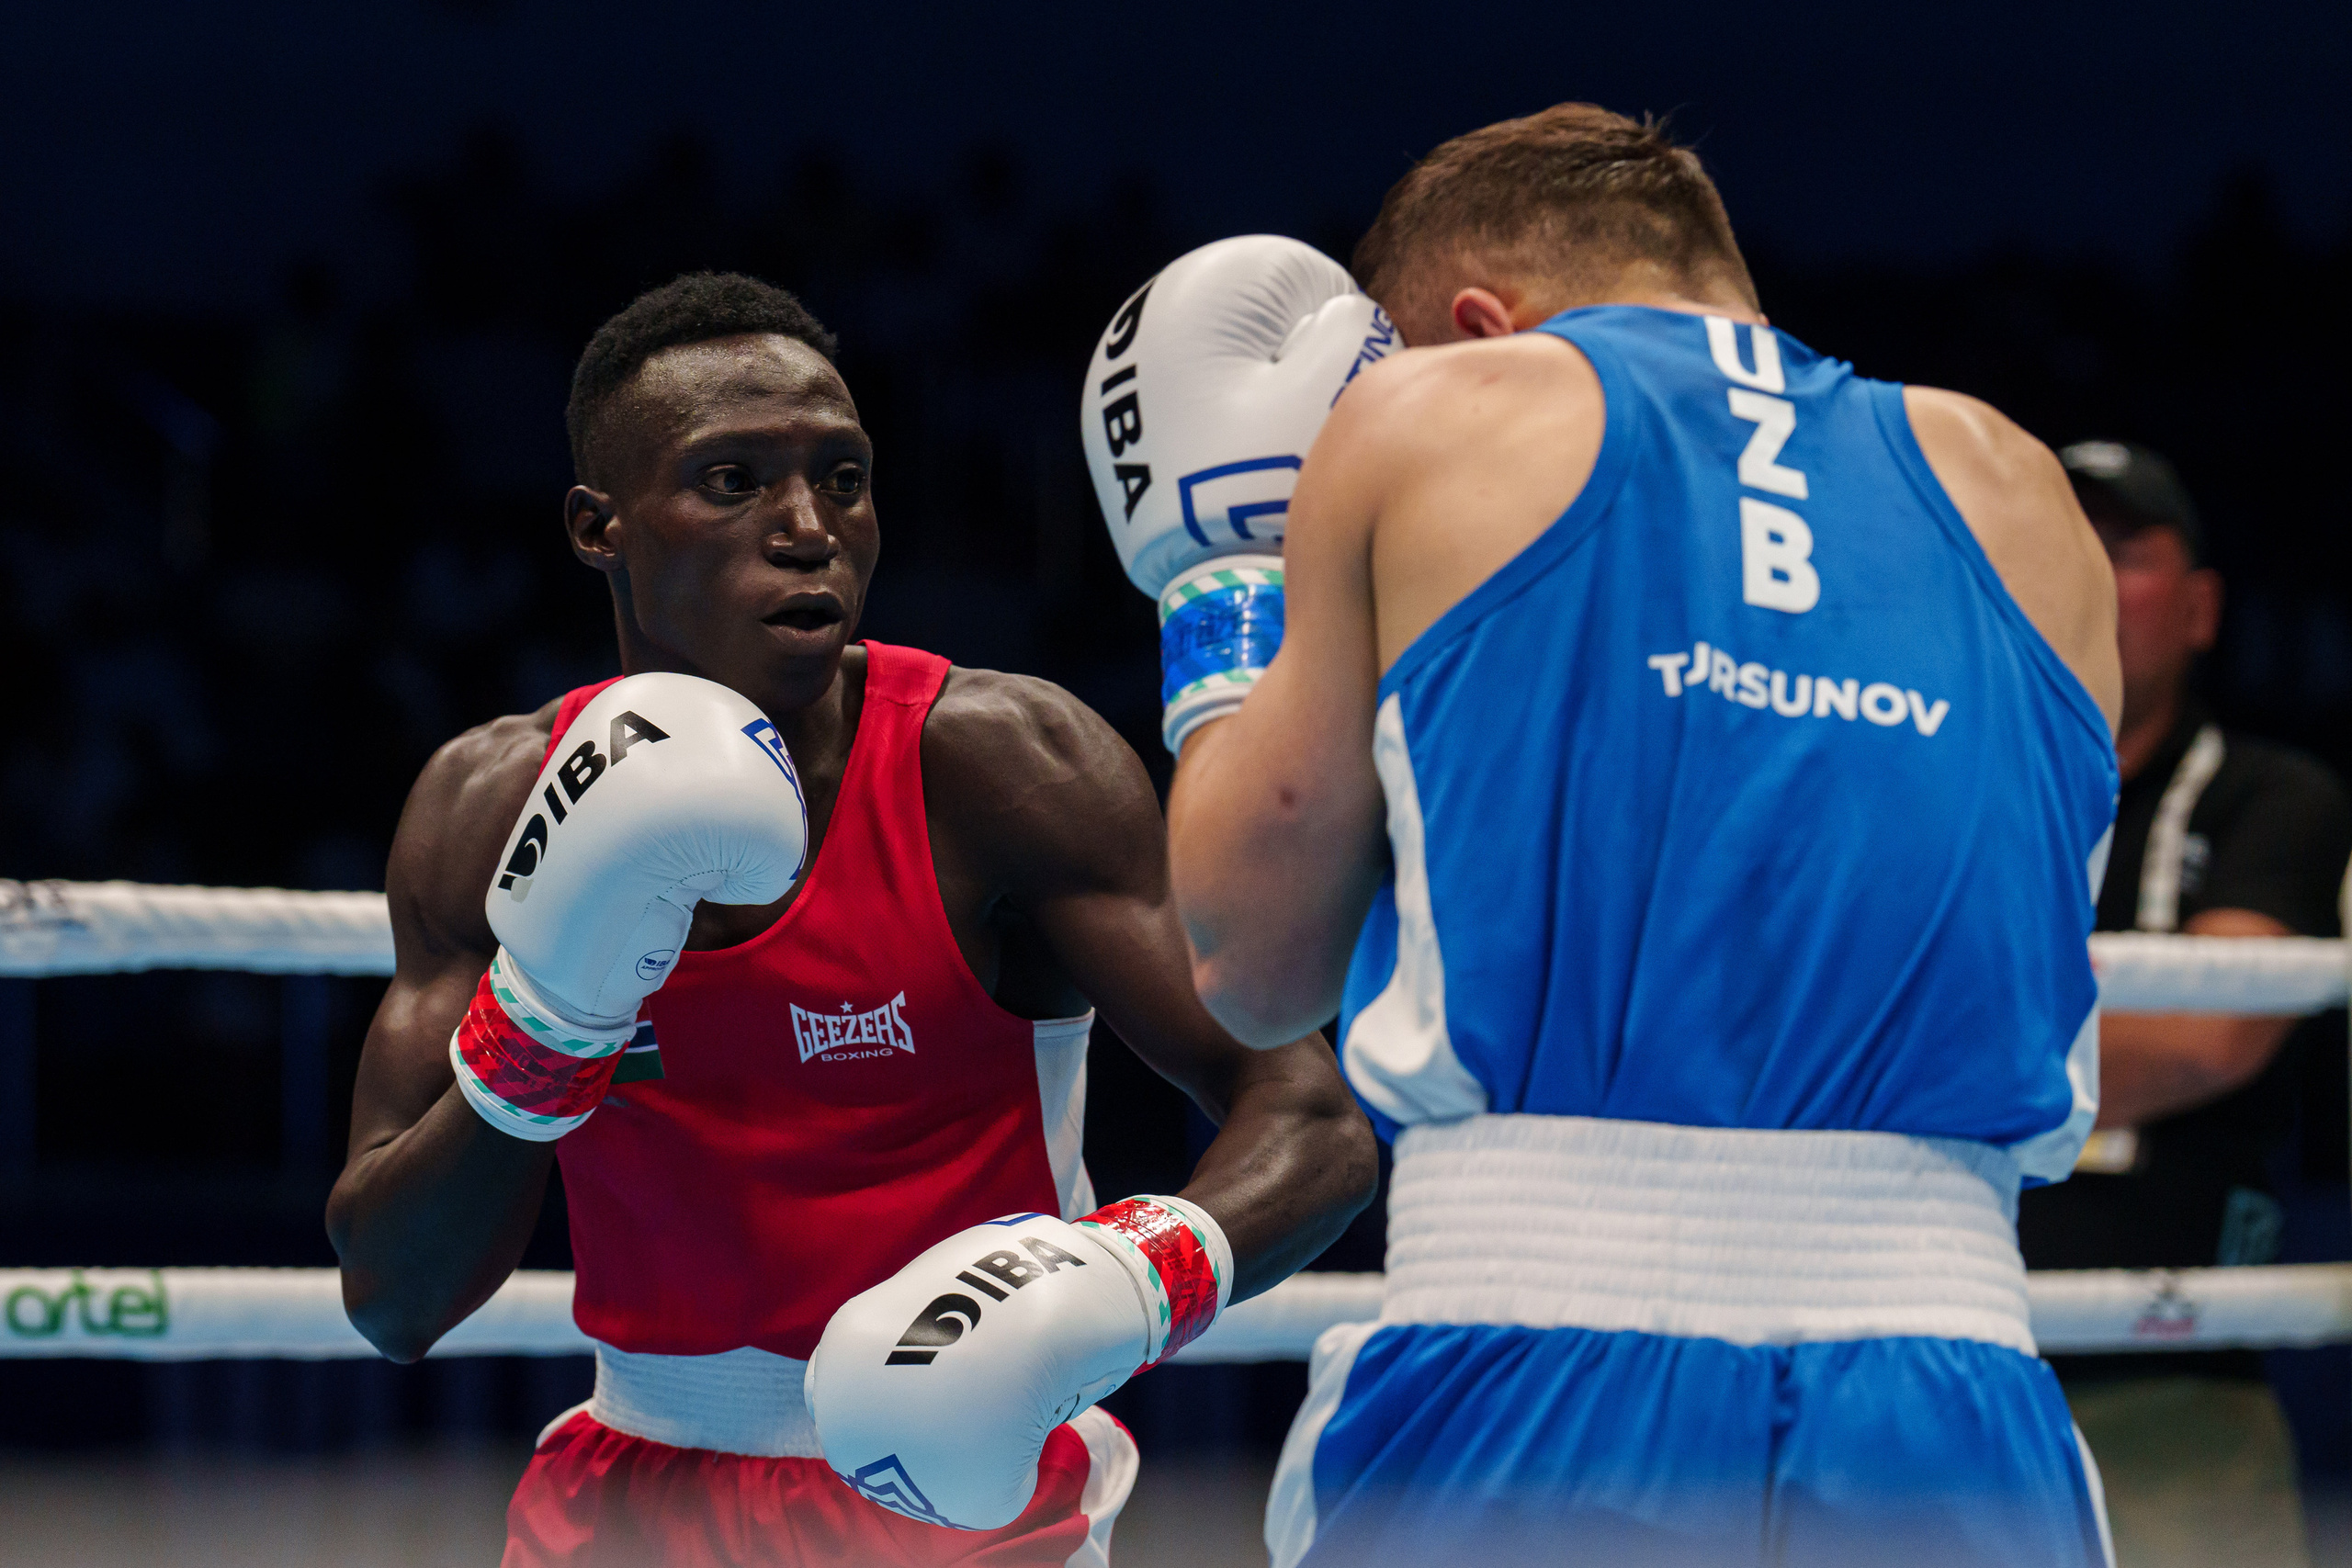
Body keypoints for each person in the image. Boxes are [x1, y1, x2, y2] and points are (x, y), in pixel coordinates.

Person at [1090, 107, 2126, 1566]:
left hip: (1535, 1378)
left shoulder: (1432, 413)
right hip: (1962, 1407)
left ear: (1474, 329)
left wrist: (1223, 577)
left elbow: (1252, 969)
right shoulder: (2021, 487)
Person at [324, 272, 1376, 1568]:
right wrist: (547, 1022)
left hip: (967, 1501)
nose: (808, 527)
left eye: (844, 477)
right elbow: (394, 1297)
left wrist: (1120, 1280)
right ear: (600, 528)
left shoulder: (996, 766)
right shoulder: (489, 806)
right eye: (732, 481)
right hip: (623, 1500)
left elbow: (1307, 1115)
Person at [2017, 440, 2352, 1568]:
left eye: (2125, 551)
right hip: (1936, 1357)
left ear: (2201, 607)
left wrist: (1918, 1053)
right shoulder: (1921, 780)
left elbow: (2207, 1035)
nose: (2087, 573)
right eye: (2063, 542)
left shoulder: (2273, 797)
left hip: (2174, 1376)